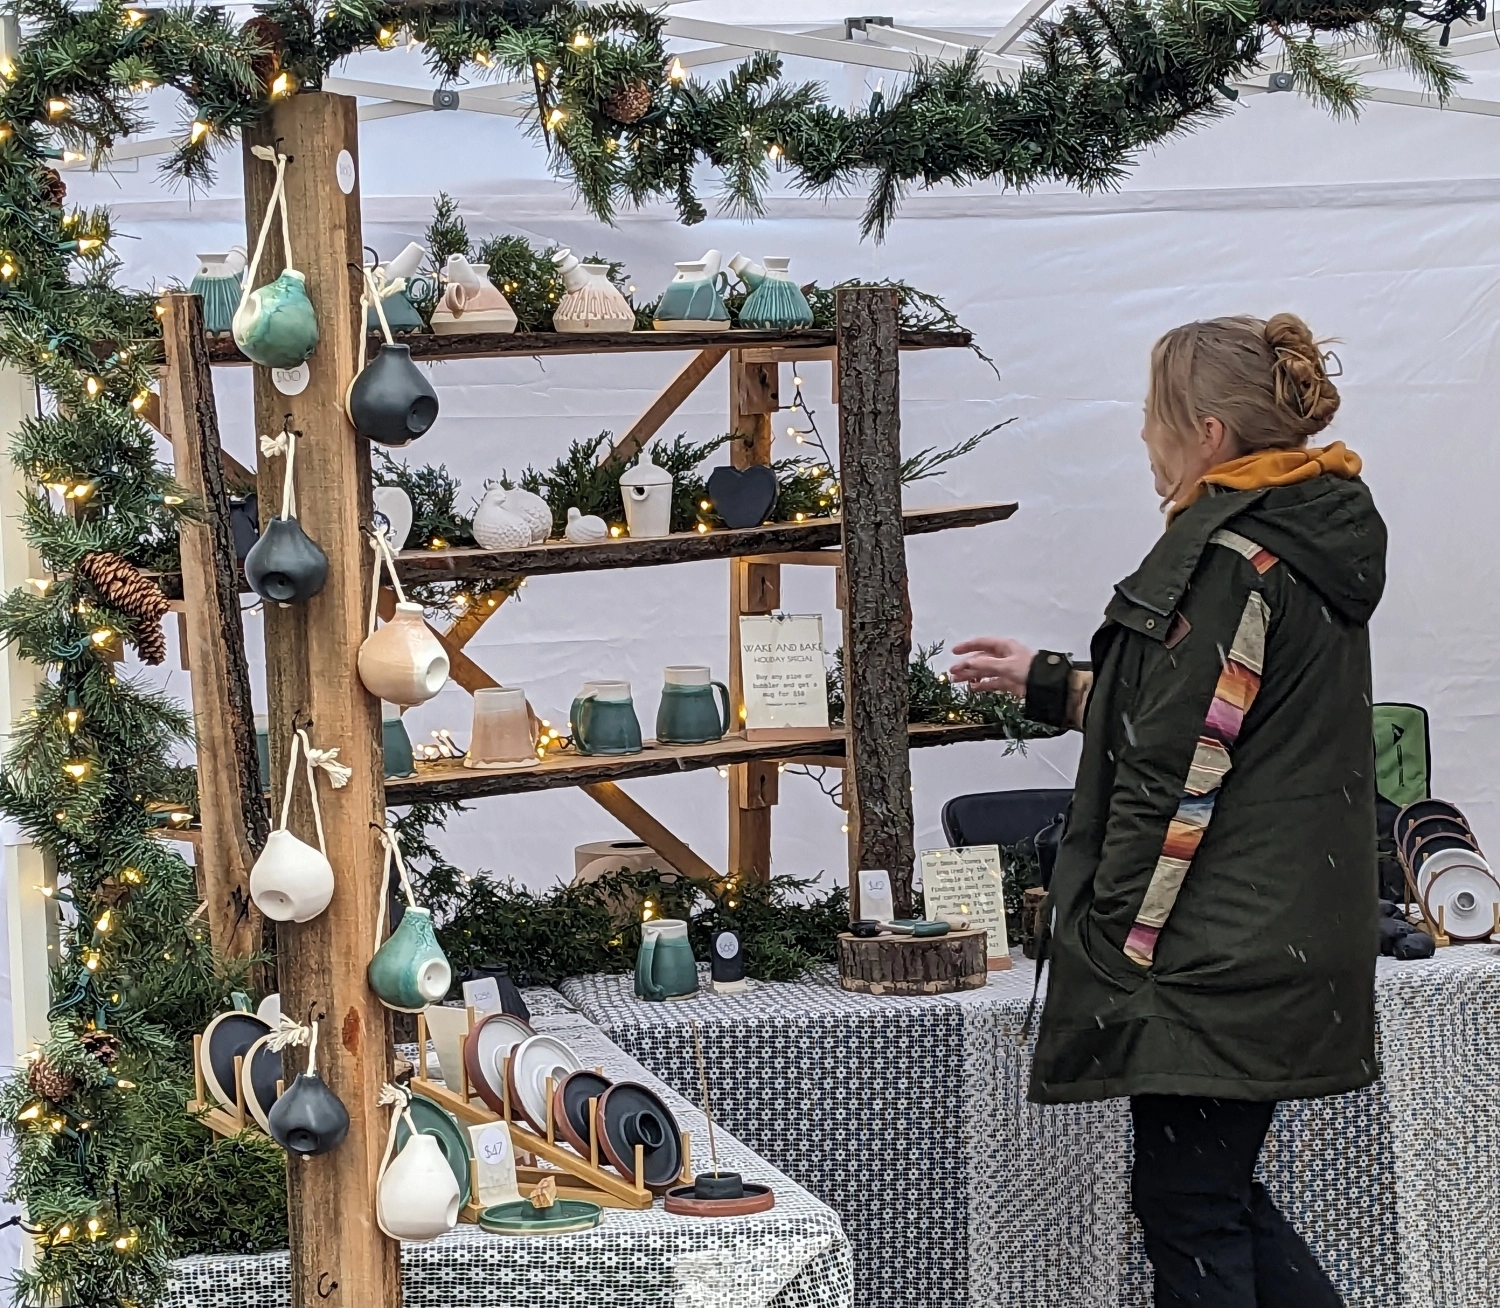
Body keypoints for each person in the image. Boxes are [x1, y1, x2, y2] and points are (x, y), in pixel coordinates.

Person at [950, 313, 1385, 1308]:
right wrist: (1055, 682)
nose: (1145, 440)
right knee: (1206, 1199)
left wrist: (1115, 944)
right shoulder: (1301, 539)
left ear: (1208, 437)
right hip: (1281, 932)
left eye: (1153, 418)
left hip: (1216, 955)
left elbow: (1175, 773)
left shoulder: (1232, 558)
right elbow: (1214, 712)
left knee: (1193, 1209)